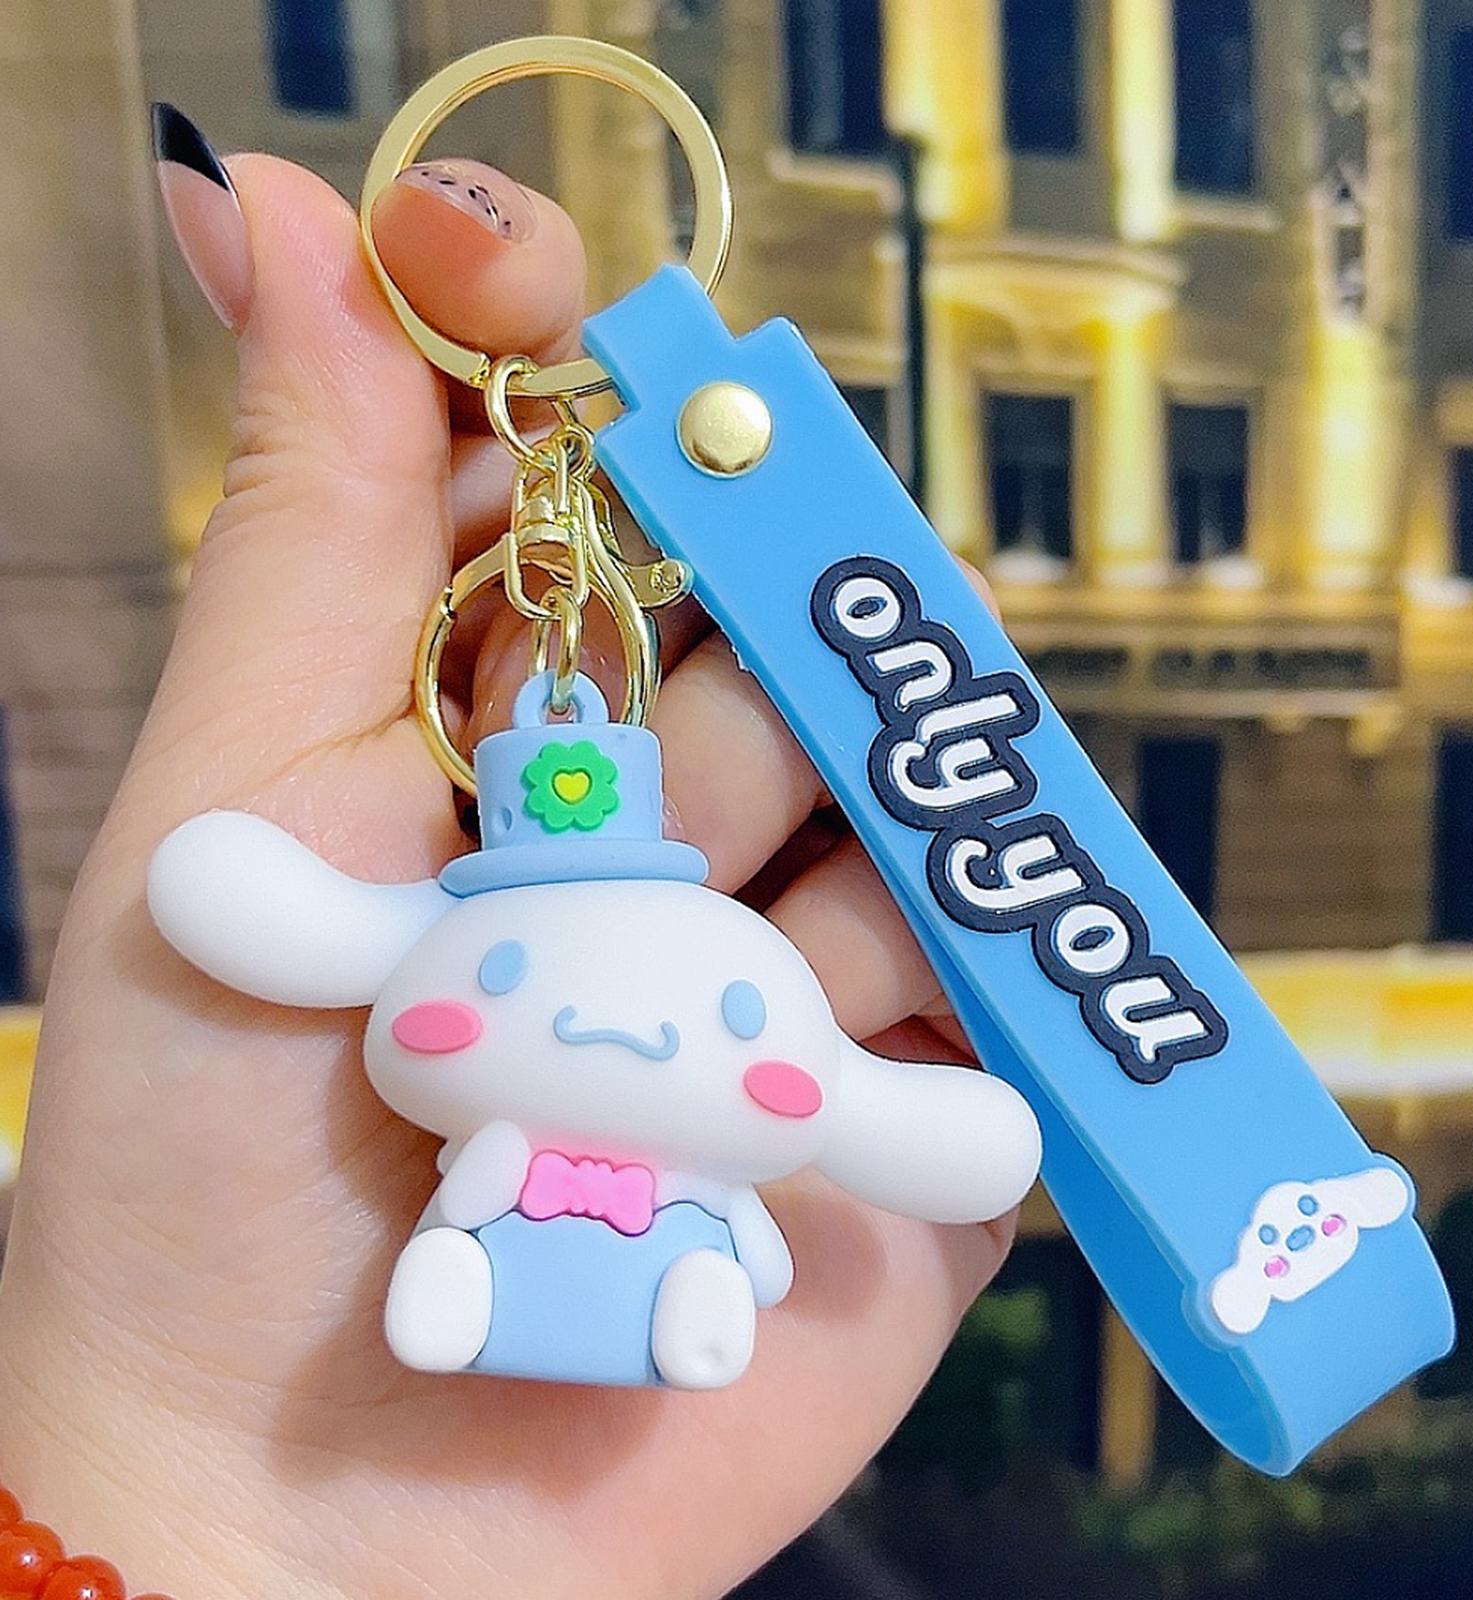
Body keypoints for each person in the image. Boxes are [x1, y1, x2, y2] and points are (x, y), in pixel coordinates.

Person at [0, 108, 1019, 1600]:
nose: (619, 1033)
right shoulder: (502, 1118)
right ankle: (466, 1290)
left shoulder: (669, 1142)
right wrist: (198, 1476)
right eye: (496, 982)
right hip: (444, 1291)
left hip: (650, 1285)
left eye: (744, 1020)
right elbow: (283, 920)